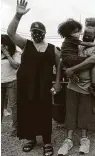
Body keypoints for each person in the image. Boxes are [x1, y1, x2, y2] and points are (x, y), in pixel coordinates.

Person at [7, 1, 61, 156]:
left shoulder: (53, 49)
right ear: (30, 33)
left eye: (38, 31)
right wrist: (18, 15)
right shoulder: (26, 44)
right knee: (27, 111)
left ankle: (47, 142)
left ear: (44, 32)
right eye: (33, 31)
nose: (36, 33)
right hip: (26, 85)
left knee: (44, 112)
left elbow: (58, 66)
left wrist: (57, 83)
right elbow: (11, 32)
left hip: (44, 86)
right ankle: (30, 139)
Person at [57, 26, 95, 156]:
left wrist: (73, 69)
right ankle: (68, 140)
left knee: (85, 114)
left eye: (90, 34)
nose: (87, 36)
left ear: (94, 36)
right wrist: (69, 72)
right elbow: (65, 59)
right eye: (85, 34)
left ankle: (84, 139)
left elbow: (93, 60)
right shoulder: (76, 45)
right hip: (73, 85)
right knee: (70, 113)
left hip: (87, 86)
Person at [58, 18, 95, 96]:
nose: (78, 33)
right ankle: (93, 84)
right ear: (69, 32)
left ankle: (72, 73)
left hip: (66, 60)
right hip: (71, 58)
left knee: (82, 61)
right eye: (76, 32)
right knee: (93, 62)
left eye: (79, 31)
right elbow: (86, 44)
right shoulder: (72, 39)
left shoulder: (66, 40)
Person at [1, 34, 21, 137]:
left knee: (13, 106)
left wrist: (7, 54)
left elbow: (15, 66)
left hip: (12, 81)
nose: (2, 46)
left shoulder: (16, 53)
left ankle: (15, 129)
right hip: (1, 82)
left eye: (4, 44)